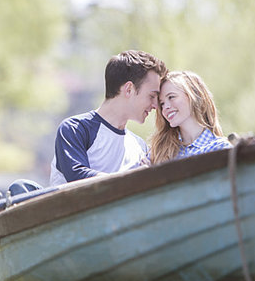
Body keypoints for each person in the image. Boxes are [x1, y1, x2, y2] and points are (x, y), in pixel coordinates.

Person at [48, 50, 168, 186]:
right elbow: (77, 177)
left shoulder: (140, 147)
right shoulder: (76, 129)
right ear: (129, 89)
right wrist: (129, 179)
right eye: (152, 96)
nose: (155, 106)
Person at [149, 71, 231, 165]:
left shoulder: (220, 148)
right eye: (162, 103)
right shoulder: (159, 152)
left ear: (194, 97)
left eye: (171, 97)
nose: (165, 107)